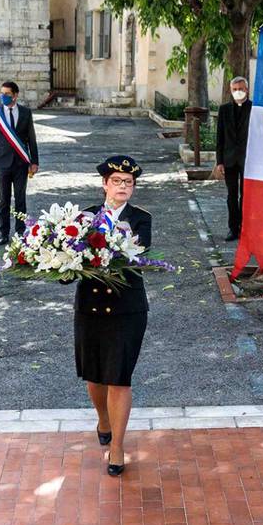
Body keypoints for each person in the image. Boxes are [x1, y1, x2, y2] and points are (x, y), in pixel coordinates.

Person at [76, 155, 153, 477]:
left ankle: (118, 446)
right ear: (105, 184)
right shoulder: (84, 216)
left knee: (118, 377)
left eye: (129, 183)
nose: (123, 187)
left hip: (127, 309)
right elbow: (72, 261)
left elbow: (137, 256)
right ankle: (103, 419)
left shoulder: (140, 218)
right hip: (90, 308)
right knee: (94, 377)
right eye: (117, 181)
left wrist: (102, 252)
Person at [0, 80, 39, 245]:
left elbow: (31, 138)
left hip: (21, 163)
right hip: (2, 163)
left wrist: (34, 161)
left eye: (7, 94)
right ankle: (3, 233)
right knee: (4, 200)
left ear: (15, 95)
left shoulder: (25, 112)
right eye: (2, 93)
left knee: (20, 199)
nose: (4, 96)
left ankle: (20, 231)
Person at [213, 76, 252, 241]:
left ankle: (246, 228)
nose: (238, 92)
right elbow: (220, 137)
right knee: (231, 195)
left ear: (247, 89)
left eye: (241, 89)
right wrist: (219, 161)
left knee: (246, 195)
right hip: (229, 159)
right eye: (235, 89)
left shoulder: (255, 108)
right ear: (231, 90)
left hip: (248, 159)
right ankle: (233, 229)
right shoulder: (224, 109)